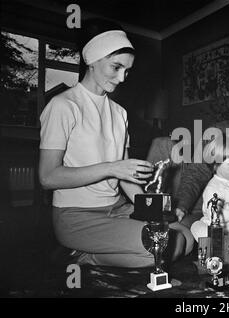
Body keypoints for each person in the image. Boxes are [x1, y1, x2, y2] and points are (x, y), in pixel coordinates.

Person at [39, 19, 158, 268]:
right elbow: (48, 177)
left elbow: (125, 175)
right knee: (157, 246)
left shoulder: (120, 113)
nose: (122, 78)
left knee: (184, 238)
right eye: (116, 67)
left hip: (117, 207)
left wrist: (152, 211)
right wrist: (110, 168)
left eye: (127, 70)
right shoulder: (63, 105)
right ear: (92, 60)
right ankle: (82, 253)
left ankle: (91, 255)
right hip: (76, 216)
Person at [147, 85, 229, 258]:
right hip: (202, 207)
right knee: (175, 238)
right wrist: (182, 206)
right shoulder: (216, 132)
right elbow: (196, 174)